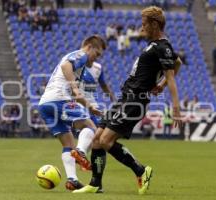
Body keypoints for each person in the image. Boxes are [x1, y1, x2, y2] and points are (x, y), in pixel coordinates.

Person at [73, 6, 182, 195]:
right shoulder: (155, 46)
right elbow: (178, 61)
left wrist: (175, 105)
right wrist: (160, 85)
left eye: (144, 25)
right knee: (97, 139)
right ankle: (95, 184)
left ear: (155, 24)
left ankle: (141, 171)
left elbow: (172, 75)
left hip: (135, 101)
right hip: (125, 98)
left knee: (106, 141)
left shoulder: (163, 47)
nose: (141, 29)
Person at [38, 35, 106, 191]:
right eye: (97, 53)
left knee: (68, 143)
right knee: (90, 127)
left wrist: (90, 107)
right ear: (89, 47)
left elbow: (77, 96)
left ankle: (72, 180)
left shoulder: (80, 65)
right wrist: (74, 87)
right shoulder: (81, 54)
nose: (97, 58)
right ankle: (81, 152)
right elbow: (65, 66)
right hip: (59, 99)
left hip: (45, 104)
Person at [72, 61, 116, 164]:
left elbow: (103, 85)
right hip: (80, 103)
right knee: (90, 129)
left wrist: (113, 100)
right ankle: (80, 153)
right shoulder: (77, 65)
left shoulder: (98, 68)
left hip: (93, 105)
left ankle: (80, 157)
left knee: (98, 136)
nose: (96, 56)